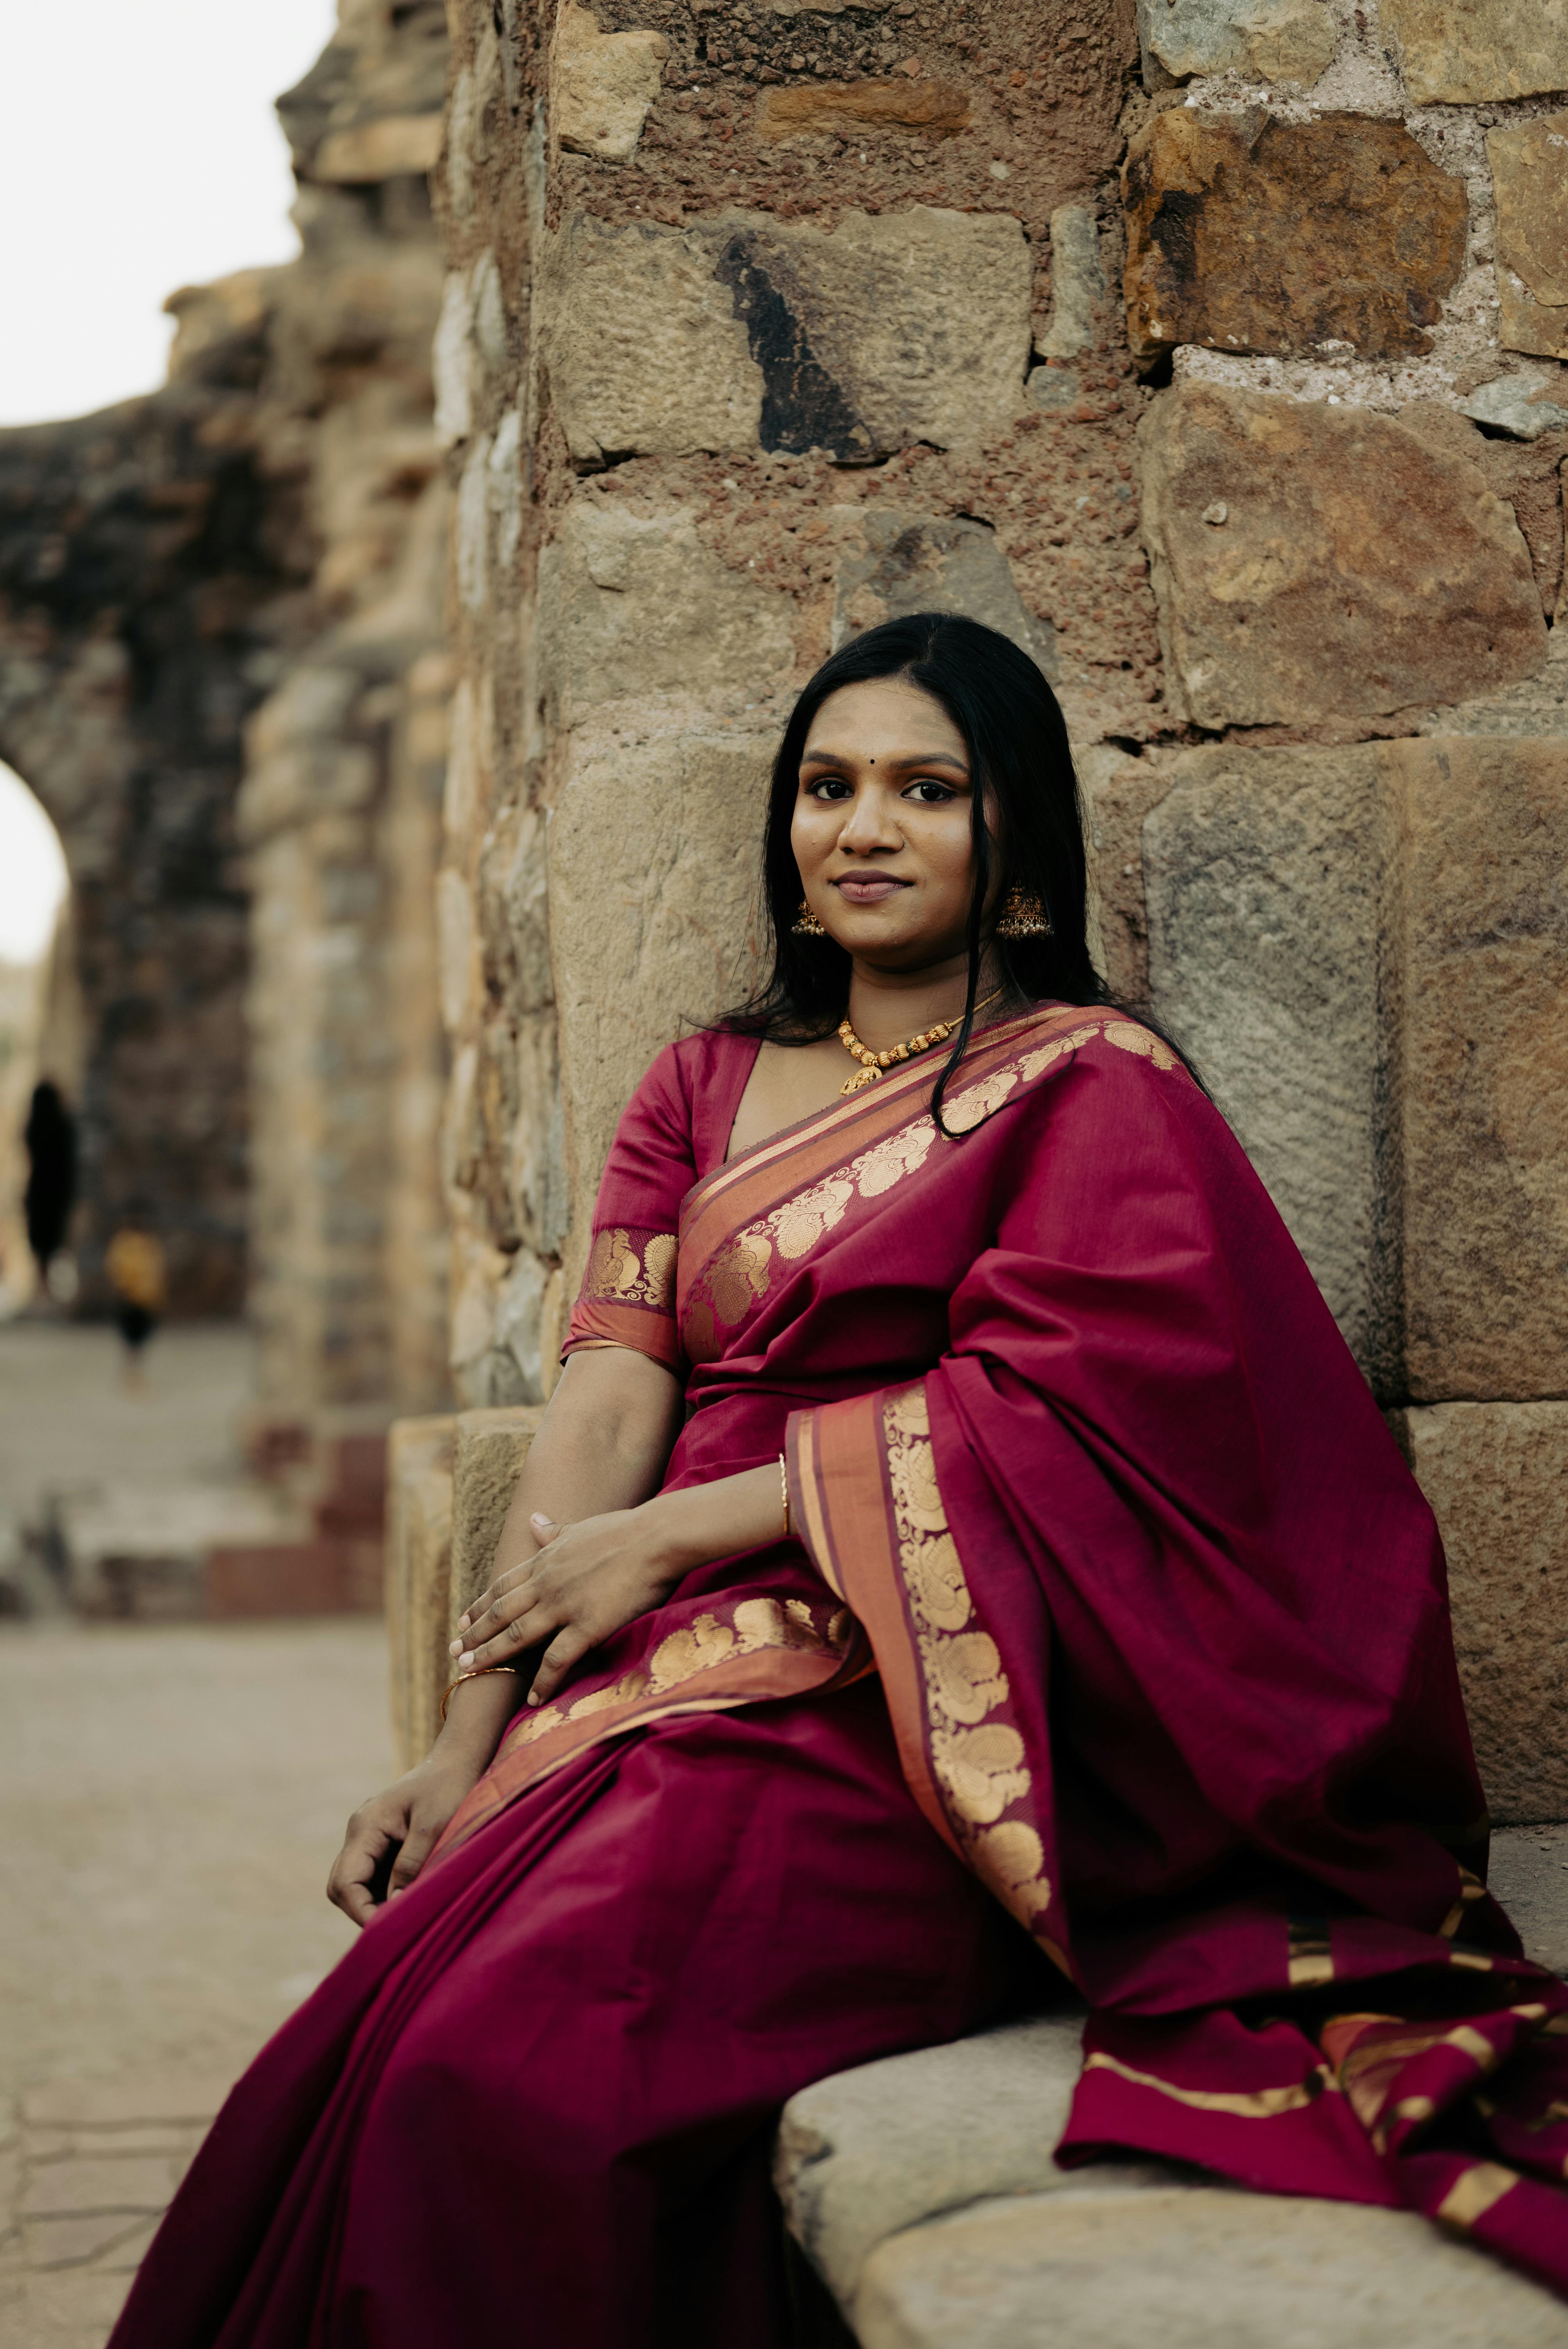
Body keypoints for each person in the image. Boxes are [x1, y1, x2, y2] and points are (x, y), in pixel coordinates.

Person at [110, 615, 1566, 2349]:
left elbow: (1090, 1421)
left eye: (921, 788)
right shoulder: (695, 1085)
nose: (860, 824)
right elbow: (604, 1394)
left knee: (500, 2065)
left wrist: (678, 1533)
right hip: (652, 1668)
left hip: (933, 1696)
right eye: (825, 785)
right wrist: (459, 1731)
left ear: (1006, 827)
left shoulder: (1093, 1088)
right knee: (377, 2029)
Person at [105, 1205, 167, 1390]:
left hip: (147, 1300)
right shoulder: (125, 1243)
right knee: (133, 1342)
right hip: (132, 1299)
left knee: (140, 1342)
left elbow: (156, 1271)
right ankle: (132, 1377)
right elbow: (118, 1270)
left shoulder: (149, 1243)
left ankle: (134, 1375)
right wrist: (124, 1288)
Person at [23, 1078, 75, 1295]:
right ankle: (48, 1290)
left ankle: (44, 1289)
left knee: (43, 1246)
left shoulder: (34, 1128)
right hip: (56, 1192)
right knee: (53, 1243)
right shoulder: (63, 1127)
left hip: (40, 1192)